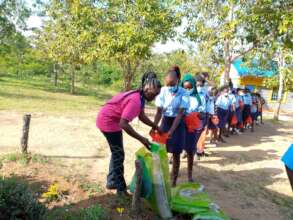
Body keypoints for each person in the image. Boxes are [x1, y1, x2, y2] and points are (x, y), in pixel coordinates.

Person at [96, 72, 161, 196]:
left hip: (112, 120)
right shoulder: (135, 101)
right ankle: (120, 189)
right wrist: (142, 139)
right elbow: (124, 124)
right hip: (108, 121)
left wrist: (155, 126)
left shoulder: (140, 97)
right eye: (153, 94)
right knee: (119, 154)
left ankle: (111, 181)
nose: (154, 97)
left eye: (157, 94)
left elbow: (141, 116)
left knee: (116, 152)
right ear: (146, 89)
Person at [153, 70, 189, 187]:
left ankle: (173, 180)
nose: (169, 87)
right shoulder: (163, 91)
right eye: (168, 84)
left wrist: (171, 131)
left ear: (178, 81)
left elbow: (180, 114)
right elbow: (159, 111)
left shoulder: (184, 93)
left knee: (176, 152)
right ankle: (160, 177)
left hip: (178, 124)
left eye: (172, 84)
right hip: (166, 121)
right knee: (160, 150)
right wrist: (154, 127)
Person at [180, 73, 203, 182]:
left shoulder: (197, 98)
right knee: (176, 149)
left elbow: (200, 112)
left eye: (190, 88)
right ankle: (175, 172)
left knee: (190, 150)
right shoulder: (179, 96)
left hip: (191, 127)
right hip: (179, 125)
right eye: (185, 88)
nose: (188, 90)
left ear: (193, 86)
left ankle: (189, 175)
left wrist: (198, 114)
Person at [195, 75, 208, 158]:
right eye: (197, 85)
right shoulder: (189, 93)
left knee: (198, 134)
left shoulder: (204, 94)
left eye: (201, 85)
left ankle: (197, 151)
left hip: (202, 116)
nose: (199, 87)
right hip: (192, 115)